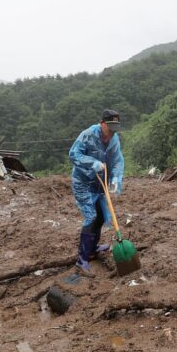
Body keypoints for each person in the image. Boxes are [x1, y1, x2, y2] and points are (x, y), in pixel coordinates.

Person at [68, 108, 125, 274]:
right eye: (110, 128)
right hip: (83, 183)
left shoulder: (114, 139)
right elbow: (73, 154)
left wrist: (116, 179)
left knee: (100, 216)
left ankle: (92, 250)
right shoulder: (88, 135)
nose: (112, 132)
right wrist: (92, 163)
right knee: (91, 217)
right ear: (102, 124)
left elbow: (117, 161)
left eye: (115, 128)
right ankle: (82, 259)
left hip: (100, 185)